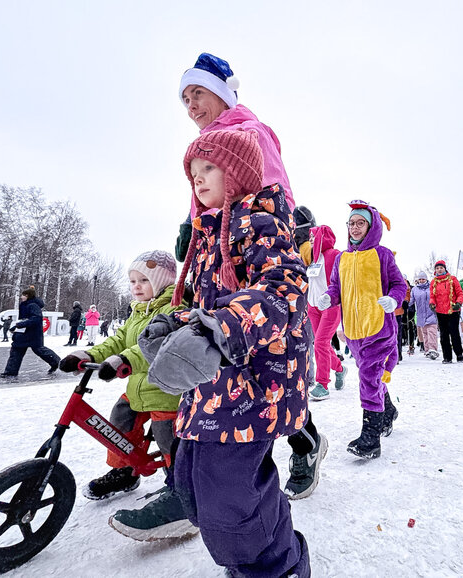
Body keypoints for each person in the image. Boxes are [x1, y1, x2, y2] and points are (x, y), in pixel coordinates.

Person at [136, 130, 311, 576]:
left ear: (238, 172)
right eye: (193, 173)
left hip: (254, 385)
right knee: (193, 488)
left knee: (228, 500)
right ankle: (266, 547)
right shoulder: (208, 233)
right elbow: (206, 303)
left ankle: (278, 568)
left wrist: (221, 328)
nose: (197, 179)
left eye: (209, 168)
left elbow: (284, 288)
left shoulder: (259, 221)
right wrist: (175, 325)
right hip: (212, 388)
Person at [59, 251, 192, 537]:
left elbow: (159, 345)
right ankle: (125, 471)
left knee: (167, 435)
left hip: (167, 391)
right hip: (138, 390)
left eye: (144, 280)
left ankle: (179, 484)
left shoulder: (174, 309)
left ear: (162, 282)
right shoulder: (138, 311)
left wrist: (125, 361)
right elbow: (119, 340)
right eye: (133, 281)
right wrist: (88, 355)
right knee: (120, 418)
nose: (137, 286)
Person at [174, 52, 296, 260]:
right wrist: (192, 226)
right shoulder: (203, 146)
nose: (191, 106)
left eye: (198, 93)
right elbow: (209, 195)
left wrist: (264, 242)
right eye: (186, 100)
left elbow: (276, 193)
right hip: (212, 249)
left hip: (246, 249)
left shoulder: (249, 132)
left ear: (221, 95)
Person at [319, 200, 407, 459]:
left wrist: (393, 300)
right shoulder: (342, 259)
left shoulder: (383, 255)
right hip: (353, 332)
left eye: (360, 223)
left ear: (371, 227)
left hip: (379, 328)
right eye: (351, 223)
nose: (355, 228)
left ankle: (371, 437)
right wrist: (328, 297)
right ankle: (388, 411)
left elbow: (399, 285)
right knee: (372, 375)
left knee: (368, 377)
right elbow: (336, 288)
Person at [307, 225, 347, 401]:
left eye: (313, 236)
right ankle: (339, 368)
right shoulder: (313, 257)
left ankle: (322, 385)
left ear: (322, 237)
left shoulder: (335, 254)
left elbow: (342, 279)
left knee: (320, 343)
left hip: (330, 307)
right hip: (313, 307)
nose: (310, 239)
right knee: (321, 344)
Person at [0, 287, 60, 378]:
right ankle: (10, 372)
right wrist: (16, 326)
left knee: (39, 350)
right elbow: (25, 319)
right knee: (16, 351)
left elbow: (36, 319)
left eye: (23, 295)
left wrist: (20, 325)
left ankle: (56, 362)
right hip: (24, 333)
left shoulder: (33, 305)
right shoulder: (25, 305)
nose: (21, 297)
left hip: (32, 334)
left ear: (28, 296)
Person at [430, 260, 463, 364]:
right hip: (440, 311)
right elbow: (432, 296)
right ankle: (447, 357)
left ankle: (459, 353)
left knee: (454, 333)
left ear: (445, 268)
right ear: (435, 270)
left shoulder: (452, 279)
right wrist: (432, 303)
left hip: (453, 310)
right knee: (444, 335)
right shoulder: (434, 282)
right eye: (437, 268)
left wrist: (458, 302)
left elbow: (460, 293)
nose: (439, 270)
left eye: (441, 268)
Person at [410, 271, 439, 359]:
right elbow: (411, 300)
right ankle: (427, 350)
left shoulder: (432, 287)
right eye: (420, 279)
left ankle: (433, 349)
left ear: (426, 279)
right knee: (425, 333)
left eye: (423, 279)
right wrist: (406, 305)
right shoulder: (415, 289)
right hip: (421, 314)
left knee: (432, 332)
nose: (422, 281)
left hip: (431, 313)